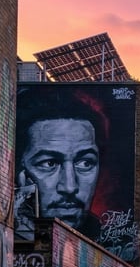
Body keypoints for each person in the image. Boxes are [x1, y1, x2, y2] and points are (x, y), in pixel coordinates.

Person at [15, 89, 105, 236]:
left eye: (85, 163)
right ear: (18, 169)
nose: (69, 187)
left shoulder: (107, 242)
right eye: (49, 163)